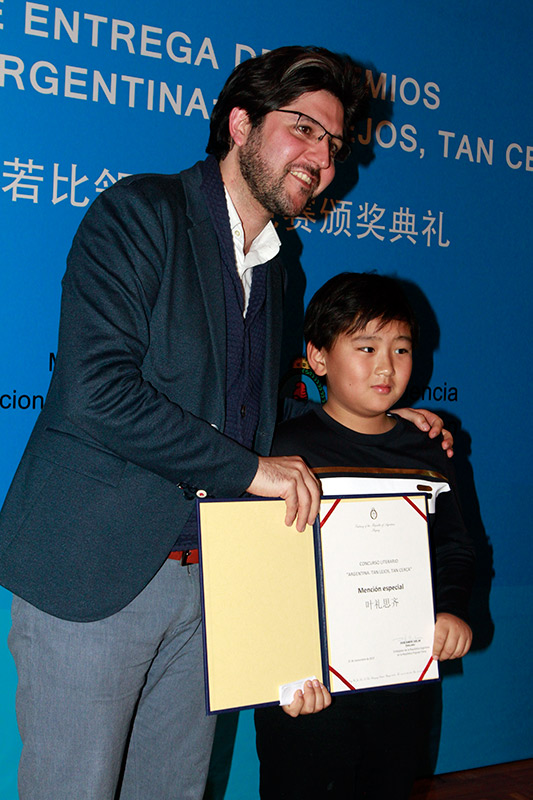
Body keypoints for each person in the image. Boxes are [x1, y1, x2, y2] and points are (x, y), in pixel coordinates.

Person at [0, 48, 451, 800]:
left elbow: (255, 405)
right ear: (240, 123)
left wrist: (366, 410)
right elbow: (96, 391)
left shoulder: (281, 265)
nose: (321, 159)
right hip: (94, 570)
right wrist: (252, 471)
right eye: (302, 129)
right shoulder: (141, 213)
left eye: (334, 146)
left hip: (213, 580)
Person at [254, 272, 475, 800]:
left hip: (401, 686)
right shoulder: (283, 451)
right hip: (309, 696)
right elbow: (259, 575)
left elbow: (455, 547)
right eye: (366, 346)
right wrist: (277, 671)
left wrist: (452, 609)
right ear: (319, 357)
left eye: (401, 349)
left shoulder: (426, 451)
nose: (386, 365)